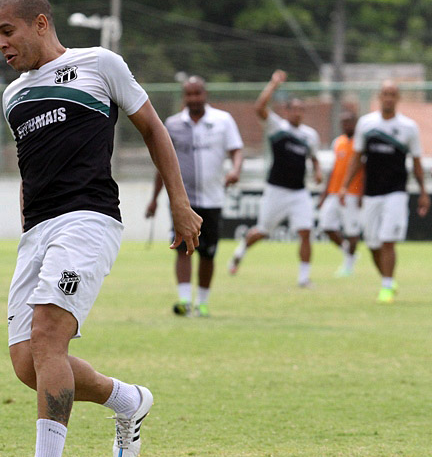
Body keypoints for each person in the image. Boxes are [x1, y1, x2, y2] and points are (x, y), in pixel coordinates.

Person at [0, 0, 202, 457]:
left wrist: (179, 201)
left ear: (40, 23)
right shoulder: (13, 95)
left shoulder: (99, 64)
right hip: (37, 231)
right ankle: (127, 399)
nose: (1, 44)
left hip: (88, 220)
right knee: (27, 365)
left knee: (47, 339)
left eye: (7, 31)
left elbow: (152, 128)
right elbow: (29, 170)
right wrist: (26, 225)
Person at [145, 76, 243, 317]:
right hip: (182, 200)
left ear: (205, 94)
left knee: (208, 253)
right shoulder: (173, 124)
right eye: (189, 94)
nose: (193, 98)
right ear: (184, 97)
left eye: (197, 93)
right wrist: (155, 198)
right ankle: (185, 301)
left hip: (213, 199)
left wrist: (235, 170)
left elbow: (236, 150)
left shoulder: (222, 120)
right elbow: (162, 163)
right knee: (182, 249)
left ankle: (203, 303)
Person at [228, 70, 322, 287]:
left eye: (301, 110)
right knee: (262, 231)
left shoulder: (310, 136)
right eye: (294, 109)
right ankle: (240, 251)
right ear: (287, 111)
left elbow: (314, 157)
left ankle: (303, 278)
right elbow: (259, 108)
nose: (297, 113)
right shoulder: (277, 127)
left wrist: (317, 171)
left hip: (299, 192)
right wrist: (274, 84)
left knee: (306, 231)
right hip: (276, 190)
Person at [338, 81, 429, 303]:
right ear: (379, 96)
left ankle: (386, 286)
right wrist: (345, 185)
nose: (388, 98)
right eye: (385, 94)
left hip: (396, 192)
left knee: (388, 240)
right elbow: (356, 158)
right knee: (372, 243)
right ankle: (388, 279)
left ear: (397, 98)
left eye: (393, 94)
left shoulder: (409, 127)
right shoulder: (366, 125)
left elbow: (416, 162)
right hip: (371, 193)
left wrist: (424, 192)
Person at [317, 110, 362, 277]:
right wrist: (324, 194)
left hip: (352, 193)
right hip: (335, 193)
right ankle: (349, 253)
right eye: (343, 122)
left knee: (352, 231)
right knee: (326, 225)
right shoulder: (338, 142)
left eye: (349, 122)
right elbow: (333, 169)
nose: (346, 125)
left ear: (355, 123)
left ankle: (348, 266)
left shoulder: (360, 143)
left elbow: (364, 170)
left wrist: (361, 194)